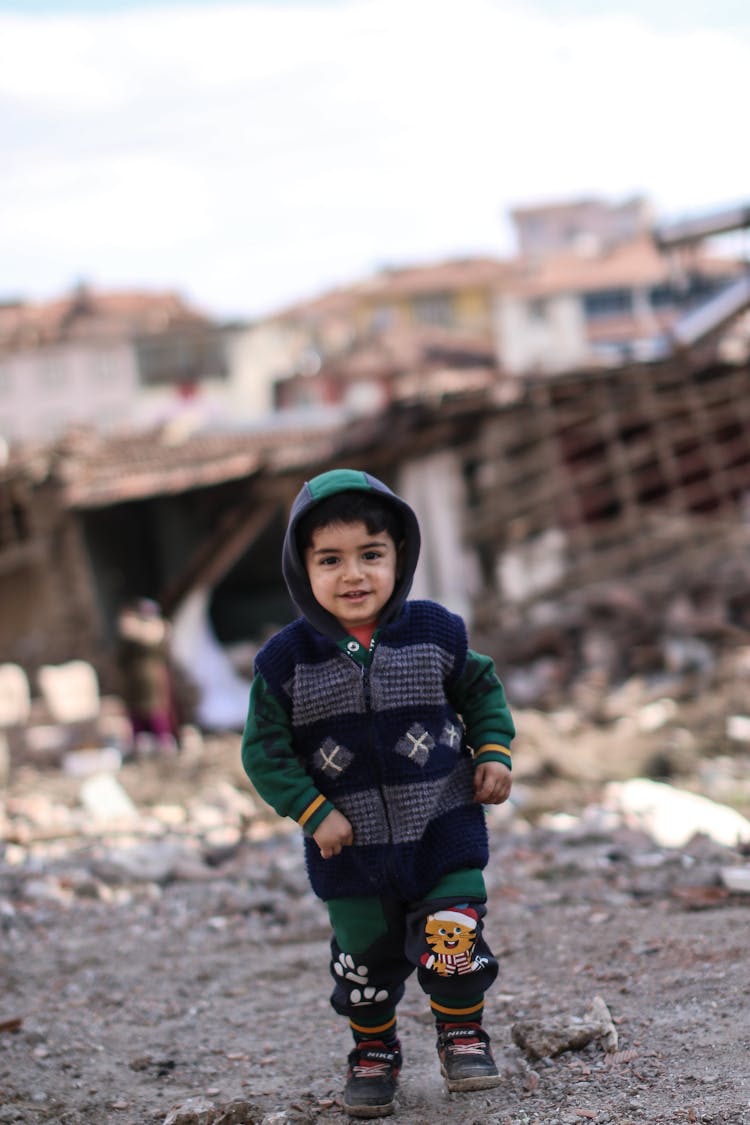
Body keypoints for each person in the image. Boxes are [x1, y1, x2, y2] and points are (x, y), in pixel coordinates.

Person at [241, 469, 515, 1118]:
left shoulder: (436, 633)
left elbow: (482, 691)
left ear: (400, 556)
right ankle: (374, 1049)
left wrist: (495, 751)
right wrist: (312, 810)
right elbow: (264, 750)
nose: (353, 574)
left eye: (371, 554)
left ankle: (461, 1032)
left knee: (454, 939)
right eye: (330, 559)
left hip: (442, 827)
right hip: (351, 850)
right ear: (300, 568)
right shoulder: (285, 662)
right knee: (362, 964)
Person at [116, 598, 179, 755]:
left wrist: (140, 632)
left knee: (155, 711)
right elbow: (121, 658)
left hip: (152, 679)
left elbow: (158, 648)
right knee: (136, 714)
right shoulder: (129, 636)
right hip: (134, 681)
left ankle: (164, 743)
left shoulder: (156, 630)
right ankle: (141, 746)